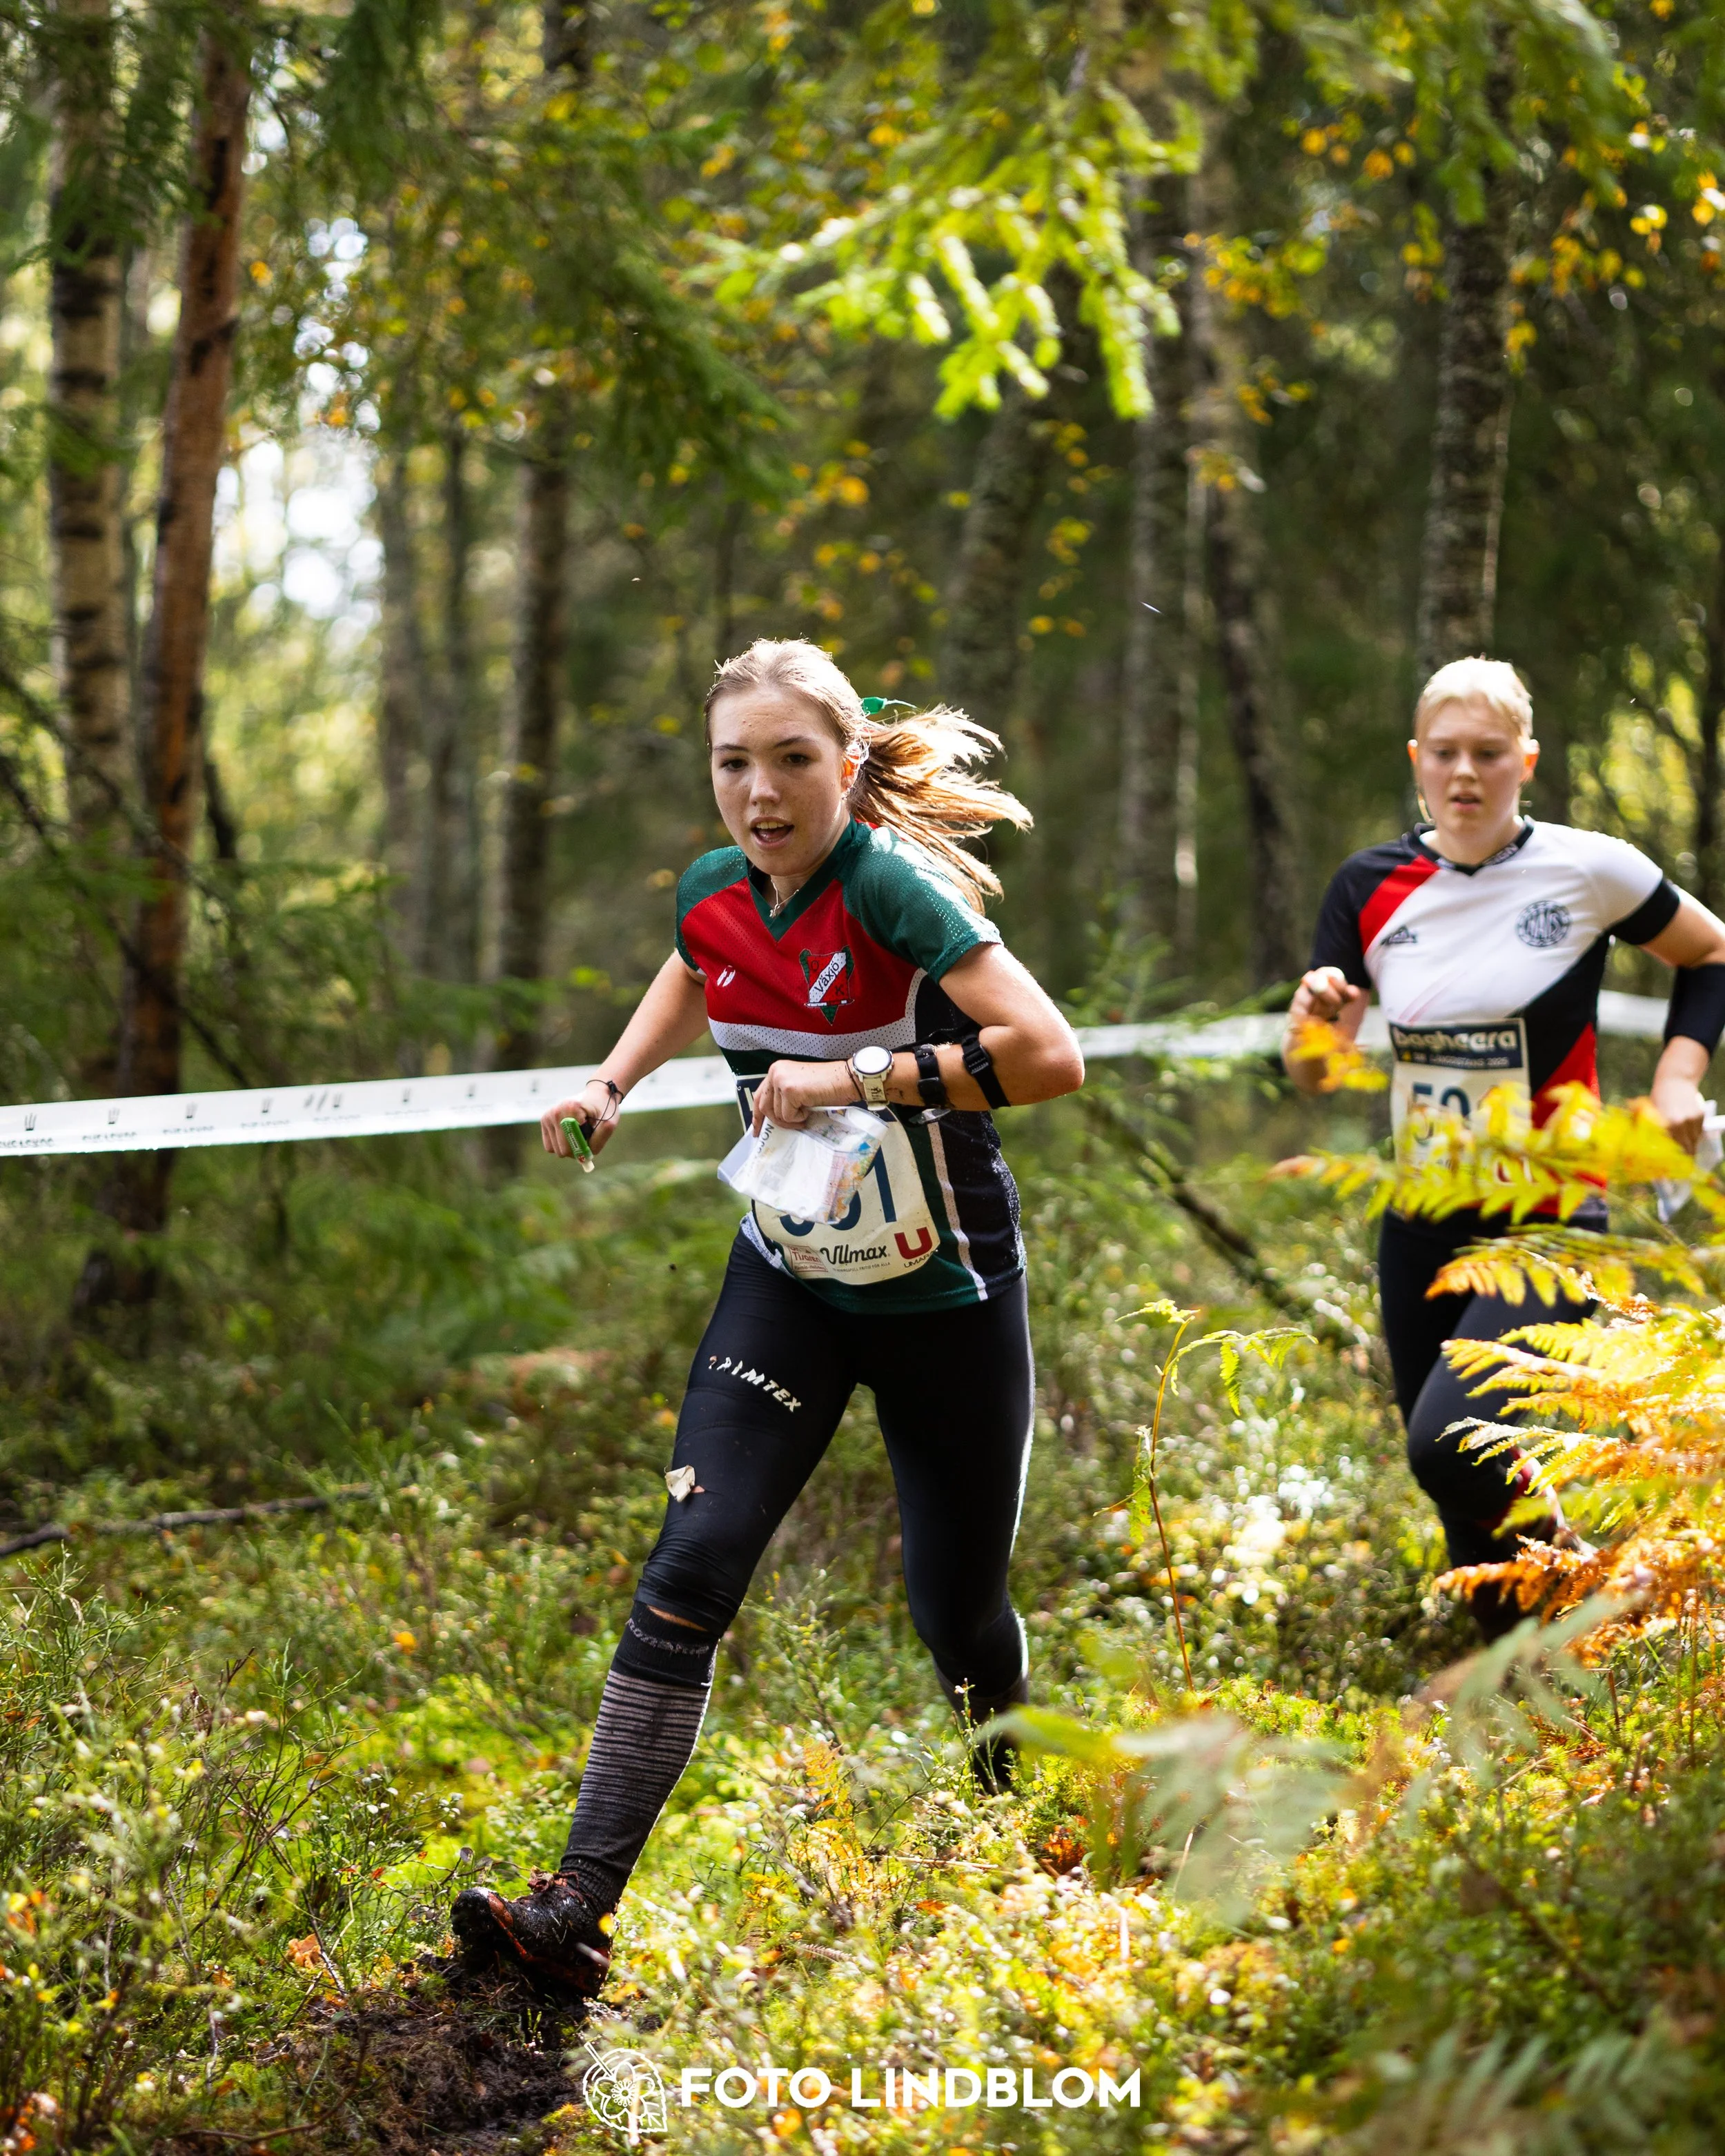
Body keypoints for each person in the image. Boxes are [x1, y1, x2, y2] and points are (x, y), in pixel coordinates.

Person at [453, 637, 1084, 1997]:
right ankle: (571, 1907)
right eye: (733, 762)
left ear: (846, 768)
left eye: (792, 759)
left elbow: (1046, 1054)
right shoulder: (711, 894)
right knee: (692, 1559)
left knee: (956, 1610)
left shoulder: (894, 890)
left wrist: (861, 1076)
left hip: (945, 1299)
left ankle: (1013, 1824)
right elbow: (696, 970)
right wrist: (613, 1079)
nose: (760, 789)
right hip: (790, 1284)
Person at [1284, 658, 1725, 1638]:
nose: (1466, 775)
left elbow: (1710, 952)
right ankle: (1523, 1718)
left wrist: (1676, 1083)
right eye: (1445, 754)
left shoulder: (1588, 867)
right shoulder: (1367, 886)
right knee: (1460, 1509)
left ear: (1527, 760)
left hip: (1554, 1212)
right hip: (1425, 1221)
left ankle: (1590, 1582)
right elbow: (1315, 1077)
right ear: (1417, 761)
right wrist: (1317, 1025)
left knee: (1449, 1442)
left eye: (1489, 754)